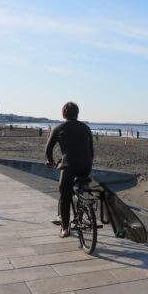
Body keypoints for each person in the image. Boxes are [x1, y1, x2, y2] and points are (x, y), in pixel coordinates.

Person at [45, 102, 94, 237]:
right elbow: (91, 151)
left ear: (63, 114)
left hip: (69, 165)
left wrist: (50, 161)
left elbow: (48, 150)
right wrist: (88, 163)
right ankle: (86, 202)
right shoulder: (86, 128)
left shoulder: (59, 128)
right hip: (86, 165)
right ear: (77, 113)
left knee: (64, 195)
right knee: (81, 185)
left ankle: (65, 228)